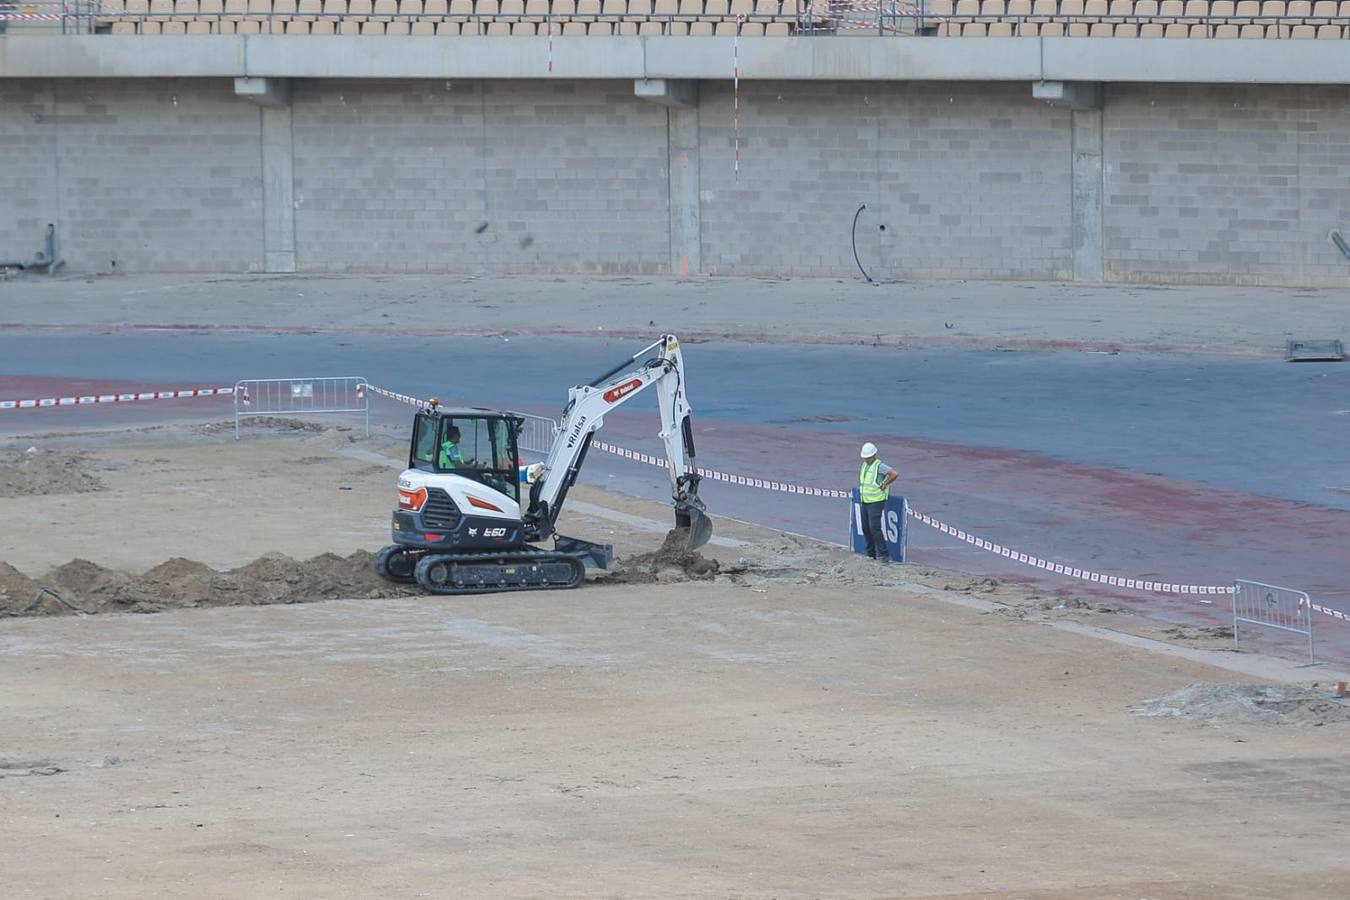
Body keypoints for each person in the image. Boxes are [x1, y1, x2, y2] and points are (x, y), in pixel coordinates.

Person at [859, 441, 898, 563]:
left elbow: (894, 474)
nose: (866, 459)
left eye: (868, 457)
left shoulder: (879, 466)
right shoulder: (865, 465)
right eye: (865, 457)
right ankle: (870, 554)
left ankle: (884, 555)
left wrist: (884, 484)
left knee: (874, 527)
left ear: (874, 455)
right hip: (865, 500)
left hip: (876, 501)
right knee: (866, 528)